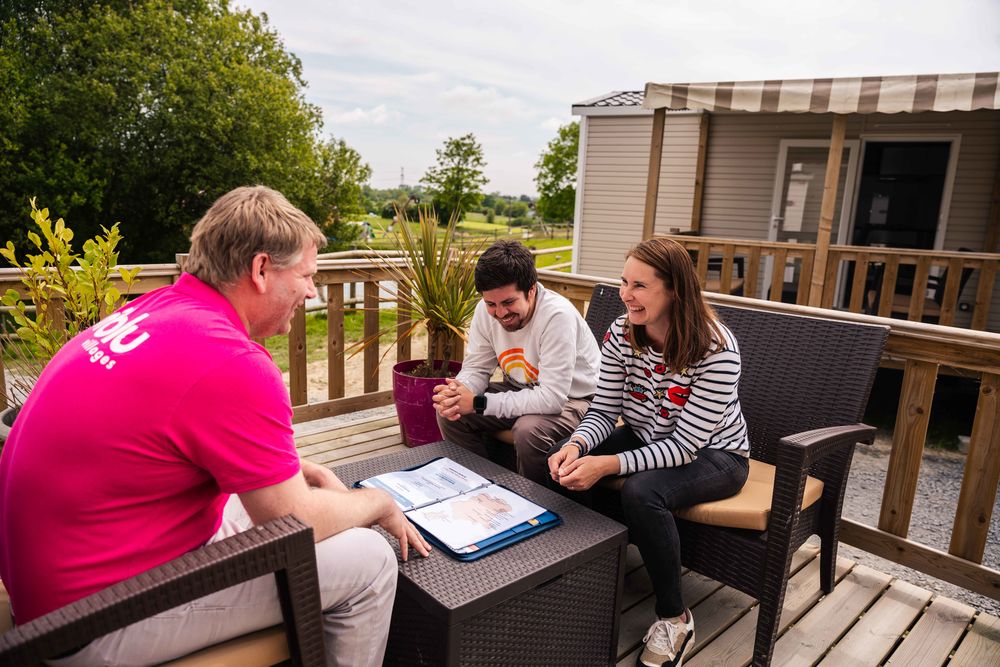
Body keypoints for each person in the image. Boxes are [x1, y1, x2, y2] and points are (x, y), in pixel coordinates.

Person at [0, 186, 430, 667]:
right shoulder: (232, 360)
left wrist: (295, 471)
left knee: (299, 501)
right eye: (307, 275)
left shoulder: (155, 308)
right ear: (261, 269)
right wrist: (377, 502)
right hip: (91, 621)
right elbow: (296, 520)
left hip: (48, 588)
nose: (311, 291)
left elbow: (166, 437)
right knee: (370, 558)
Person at [548, 237, 750, 667]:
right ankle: (590, 575)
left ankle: (676, 618)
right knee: (563, 454)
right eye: (624, 282)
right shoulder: (622, 332)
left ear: (674, 289)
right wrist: (578, 444)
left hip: (716, 455)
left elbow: (684, 447)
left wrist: (607, 464)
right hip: (647, 437)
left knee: (641, 492)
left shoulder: (717, 349)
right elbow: (603, 411)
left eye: (639, 285)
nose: (625, 294)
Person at [432, 240, 601, 485]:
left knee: (528, 431)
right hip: (523, 388)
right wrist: (461, 391)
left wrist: (478, 403)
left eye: (508, 302)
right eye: (491, 304)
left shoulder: (557, 316)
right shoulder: (484, 311)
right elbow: (477, 367)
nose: (500, 313)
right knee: (452, 413)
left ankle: (538, 501)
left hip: (575, 399)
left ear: (531, 290)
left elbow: (552, 398)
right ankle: (480, 489)